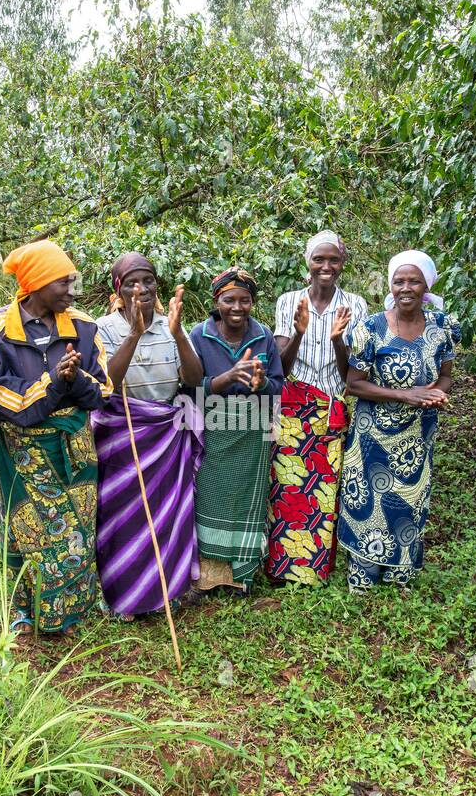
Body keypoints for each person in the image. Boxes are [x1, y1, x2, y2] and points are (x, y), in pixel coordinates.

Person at [0, 239, 111, 633]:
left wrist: (74, 379)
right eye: (63, 283)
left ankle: (71, 612)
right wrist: (52, 383)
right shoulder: (1, 328)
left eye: (72, 282)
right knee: (28, 529)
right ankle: (25, 609)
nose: (72, 292)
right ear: (36, 284)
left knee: (77, 527)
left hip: (74, 444)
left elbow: (102, 390)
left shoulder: (84, 326)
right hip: (23, 448)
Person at [93, 252, 205, 620]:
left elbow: (191, 378)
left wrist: (175, 333)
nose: (141, 289)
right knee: (126, 515)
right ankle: (125, 596)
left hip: (165, 430)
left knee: (167, 511)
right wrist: (135, 334)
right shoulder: (104, 328)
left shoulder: (170, 324)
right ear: (118, 289)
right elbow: (107, 383)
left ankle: (168, 588)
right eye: (131, 283)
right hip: (123, 429)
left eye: (148, 281)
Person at [338, 250, 455, 592]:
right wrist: (407, 395)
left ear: (426, 285)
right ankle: (363, 572)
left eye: (414, 280)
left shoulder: (442, 327)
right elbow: (353, 384)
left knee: (409, 499)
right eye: (399, 280)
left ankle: (398, 570)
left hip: (418, 434)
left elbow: (446, 376)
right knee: (370, 503)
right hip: (372, 432)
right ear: (391, 285)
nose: (406, 287)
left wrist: (437, 394)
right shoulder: (370, 328)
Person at [267, 230, 369, 585]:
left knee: (325, 490)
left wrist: (338, 339)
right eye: (319, 259)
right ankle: (282, 568)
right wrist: (297, 332)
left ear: (342, 264)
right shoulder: (288, 300)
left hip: (330, 408)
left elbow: (350, 374)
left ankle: (313, 571)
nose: (326, 266)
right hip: (292, 407)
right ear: (307, 263)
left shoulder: (355, 305)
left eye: (334, 260)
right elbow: (279, 365)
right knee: (287, 488)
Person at [187, 266, 285, 594]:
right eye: (229, 300)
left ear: (252, 303)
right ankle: (210, 575)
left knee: (246, 499)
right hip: (213, 429)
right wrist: (229, 377)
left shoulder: (263, 335)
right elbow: (189, 389)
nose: (237, 307)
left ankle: (239, 576)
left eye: (245, 300)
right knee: (211, 498)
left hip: (253, 432)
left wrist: (260, 384)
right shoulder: (198, 335)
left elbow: (277, 385)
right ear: (217, 300)